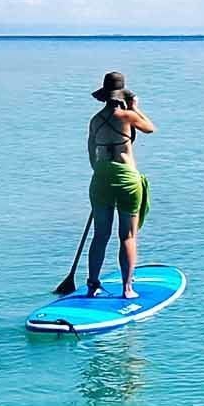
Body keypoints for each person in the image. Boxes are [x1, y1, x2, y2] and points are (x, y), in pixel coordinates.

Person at [83, 70, 156, 301]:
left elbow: (91, 155)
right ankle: (127, 289)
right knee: (127, 236)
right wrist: (134, 107)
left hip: (101, 177)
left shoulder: (95, 121)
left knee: (100, 235)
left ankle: (92, 285)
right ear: (122, 95)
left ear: (104, 96)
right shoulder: (127, 116)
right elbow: (150, 128)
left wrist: (103, 174)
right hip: (127, 178)